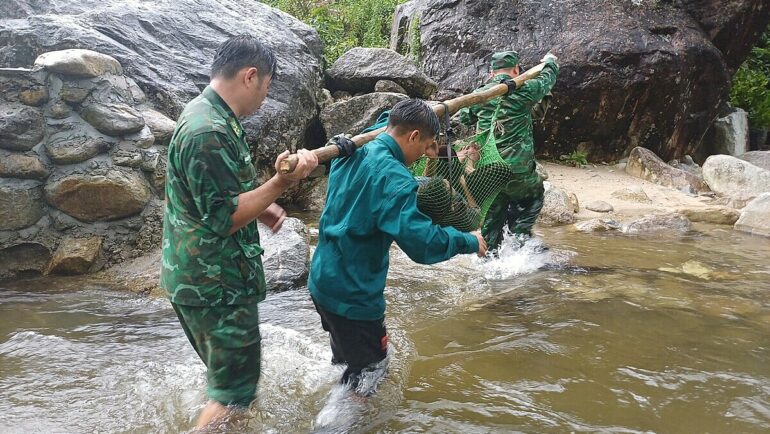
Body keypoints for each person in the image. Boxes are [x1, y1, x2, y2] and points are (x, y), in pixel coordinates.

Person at [159, 35, 318, 429]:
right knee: (233, 397)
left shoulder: (209, 116)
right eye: (266, 87)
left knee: (227, 385)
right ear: (250, 76)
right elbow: (224, 216)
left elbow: (214, 194)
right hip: (215, 285)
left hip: (202, 279)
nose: (265, 97)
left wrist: (265, 205)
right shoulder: (208, 131)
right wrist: (281, 185)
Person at [309, 99, 488, 395]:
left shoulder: (356, 144)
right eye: (426, 145)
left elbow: (386, 118)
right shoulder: (395, 180)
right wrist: (468, 240)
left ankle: (338, 386)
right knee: (372, 373)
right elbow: (422, 244)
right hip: (355, 297)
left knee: (346, 361)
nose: (425, 154)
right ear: (413, 136)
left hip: (322, 282)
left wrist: (434, 111)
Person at [459, 50, 559, 250]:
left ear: (492, 72)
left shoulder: (480, 95)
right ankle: (521, 239)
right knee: (535, 195)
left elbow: (465, 117)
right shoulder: (526, 90)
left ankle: (489, 255)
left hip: (488, 173)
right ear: (516, 70)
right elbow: (548, 78)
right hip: (519, 172)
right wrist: (550, 61)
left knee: (493, 216)